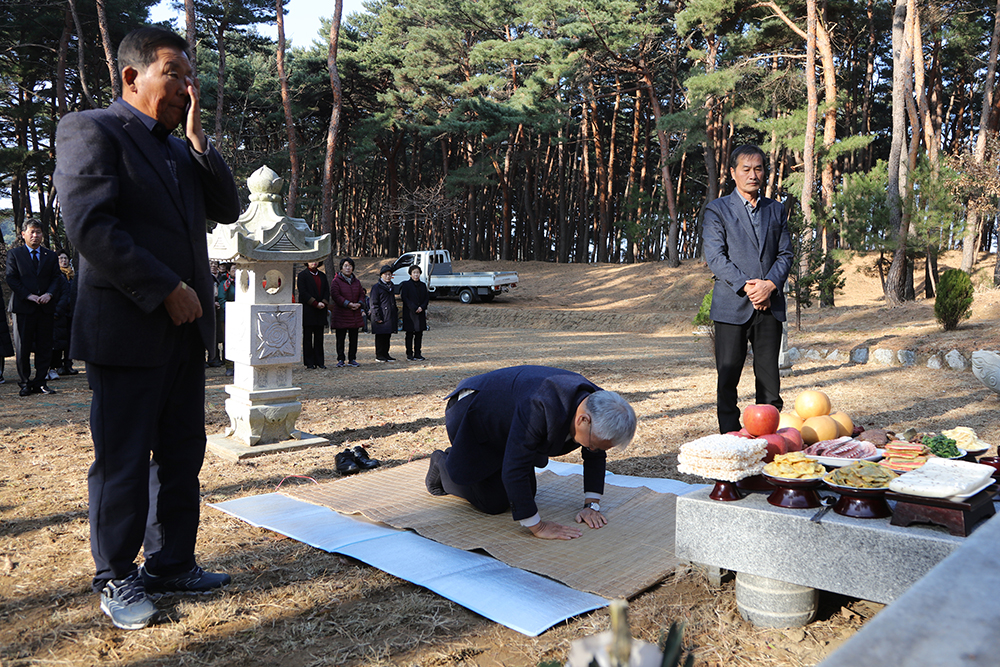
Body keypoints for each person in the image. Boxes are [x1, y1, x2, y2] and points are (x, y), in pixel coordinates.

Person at [53, 26, 241, 630]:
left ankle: (172, 563)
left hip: (185, 335)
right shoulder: (93, 130)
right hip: (127, 329)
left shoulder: (174, 146)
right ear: (132, 76)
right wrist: (166, 288)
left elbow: (228, 209)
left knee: (182, 454)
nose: (187, 86)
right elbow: (91, 228)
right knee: (125, 459)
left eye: (190, 77)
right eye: (175, 74)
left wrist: (198, 142)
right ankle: (115, 576)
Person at [425, 365, 636, 540]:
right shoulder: (539, 405)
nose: (593, 450)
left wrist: (592, 505)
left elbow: (596, 454)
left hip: (510, 418)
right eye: (592, 445)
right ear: (583, 420)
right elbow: (514, 468)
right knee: (492, 501)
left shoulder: (598, 404)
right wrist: (538, 527)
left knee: (526, 493)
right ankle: (442, 464)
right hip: (473, 411)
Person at [703, 144, 793, 434]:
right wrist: (748, 286)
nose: (753, 175)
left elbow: (786, 254)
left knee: (769, 381)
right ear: (733, 172)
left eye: (758, 168)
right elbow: (716, 257)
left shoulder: (776, 210)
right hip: (732, 306)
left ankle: (767, 441)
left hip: (770, 307)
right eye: (746, 169)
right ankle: (730, 439)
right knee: (727, 377)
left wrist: (769, 285)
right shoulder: (717, 210)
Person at [6, 219, 61, 397]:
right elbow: (11, 278)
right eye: (32, 232)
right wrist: (28, 295)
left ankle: (41, 382)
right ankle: (24, 383)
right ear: (23, 234)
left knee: (45, 346)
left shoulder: (50, 256)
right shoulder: (15, 254)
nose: (35, 235)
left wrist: (49, 294)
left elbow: (56, 279)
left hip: (45, 307)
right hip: (24, 307)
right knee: (23, 347)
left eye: (38, 232)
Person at [329, 257, 365, 367]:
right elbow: (336, 295)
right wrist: (348, 304)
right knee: (340, 338)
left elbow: (362, 294)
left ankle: (352, 359)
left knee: (353, 338)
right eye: (345, 266)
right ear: (341, 268)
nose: (348, 268)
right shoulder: (336, 281)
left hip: (354, 315)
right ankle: (340, 359)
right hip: (341, 314)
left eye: (350, 266)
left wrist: (359, 303)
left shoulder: (356, 281)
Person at [51, 249, 79, 377]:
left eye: (65, 258)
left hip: (72, 313)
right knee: (58, 340)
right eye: (61, 258)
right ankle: (58, 366)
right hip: (59, 312)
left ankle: (68, 364)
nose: (64, 260)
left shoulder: (74, 276)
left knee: (70, 340)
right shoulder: (55, 275)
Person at [297, 260, 330, 369]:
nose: (314, 263)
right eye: (311, 261)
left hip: (321, 310)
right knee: (307, 338)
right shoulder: (302, 275)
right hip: (308, 310)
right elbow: (303, 292)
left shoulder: (322, 276)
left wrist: (323, 303)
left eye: (316, 261)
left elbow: (326, 291)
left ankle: (320, 361)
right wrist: (315, 303)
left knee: (319, 337)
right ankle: (309, 362)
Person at [400, 265, 429, 361]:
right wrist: (414, 307)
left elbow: (426, 298)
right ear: (410, 274)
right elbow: (404, 298)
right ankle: (409, 353)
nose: (416, 275)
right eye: (414, 273)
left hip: (420, 312)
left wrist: (422, 307)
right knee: (409, 334)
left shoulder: (423, 285)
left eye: (418, 272)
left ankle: (418, 353)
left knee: (419, 334)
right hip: (410, 313)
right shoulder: (406, 284)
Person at [370, 264, 398, 362]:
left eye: (389, 274)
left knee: (387, 335)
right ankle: (379, 355)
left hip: (389, 315)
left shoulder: (391, 286)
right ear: (381, 275)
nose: (388, 276)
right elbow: (373, 303)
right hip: (381, 315)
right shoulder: (376, 287)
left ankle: (386, 354)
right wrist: (377, 316)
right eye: (385, 274)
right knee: (380, 336)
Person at [215, 263, 236, 374]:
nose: (236, 271)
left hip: (242, 316)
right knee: (229, 340)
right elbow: (222, 299)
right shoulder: (224, 284)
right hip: (228, 316)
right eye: (233, 269)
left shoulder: (244, 283)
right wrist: (231, 311)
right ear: (228, 270)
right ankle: (229, 366)